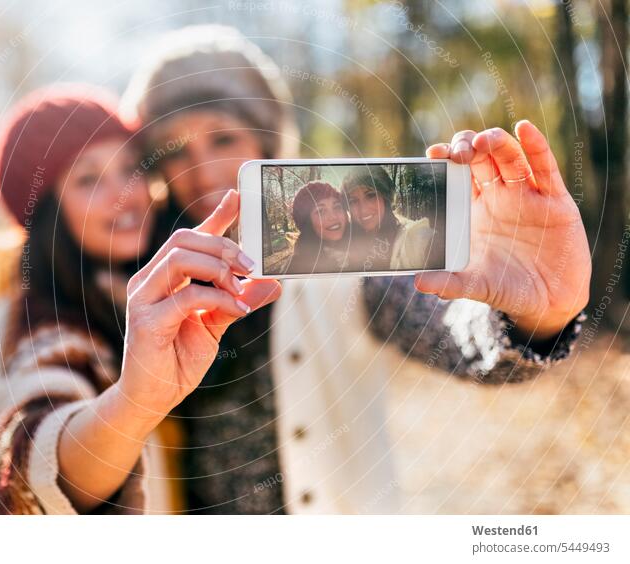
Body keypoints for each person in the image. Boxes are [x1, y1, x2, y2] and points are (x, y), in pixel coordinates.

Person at [118, 25, 591, 514]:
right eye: (175, 149)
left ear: (268, 143)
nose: (203, 170)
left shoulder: (341, 266)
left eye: (222, 138)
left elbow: (452, 334)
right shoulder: (141, 283)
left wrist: (535, 319)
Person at [0, 85, 278, 513]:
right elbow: (36, 460)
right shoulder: (33, 324)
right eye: (89, 179)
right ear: (48, 213)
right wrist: (136, 401)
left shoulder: (137, 289)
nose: (126, 195)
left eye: (132, 169)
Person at [340, 165, 442, 271]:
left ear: (385, 198)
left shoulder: (413, 237)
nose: (363, 209)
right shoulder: (347, 241)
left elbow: (426, 242)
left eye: (371, 195)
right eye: (353, 201)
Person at [289, 180, 353, 273]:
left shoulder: (367, 248)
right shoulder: (298, 268)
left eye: (337, 207)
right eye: (321, 211)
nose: (333, 216)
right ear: (308, 223)